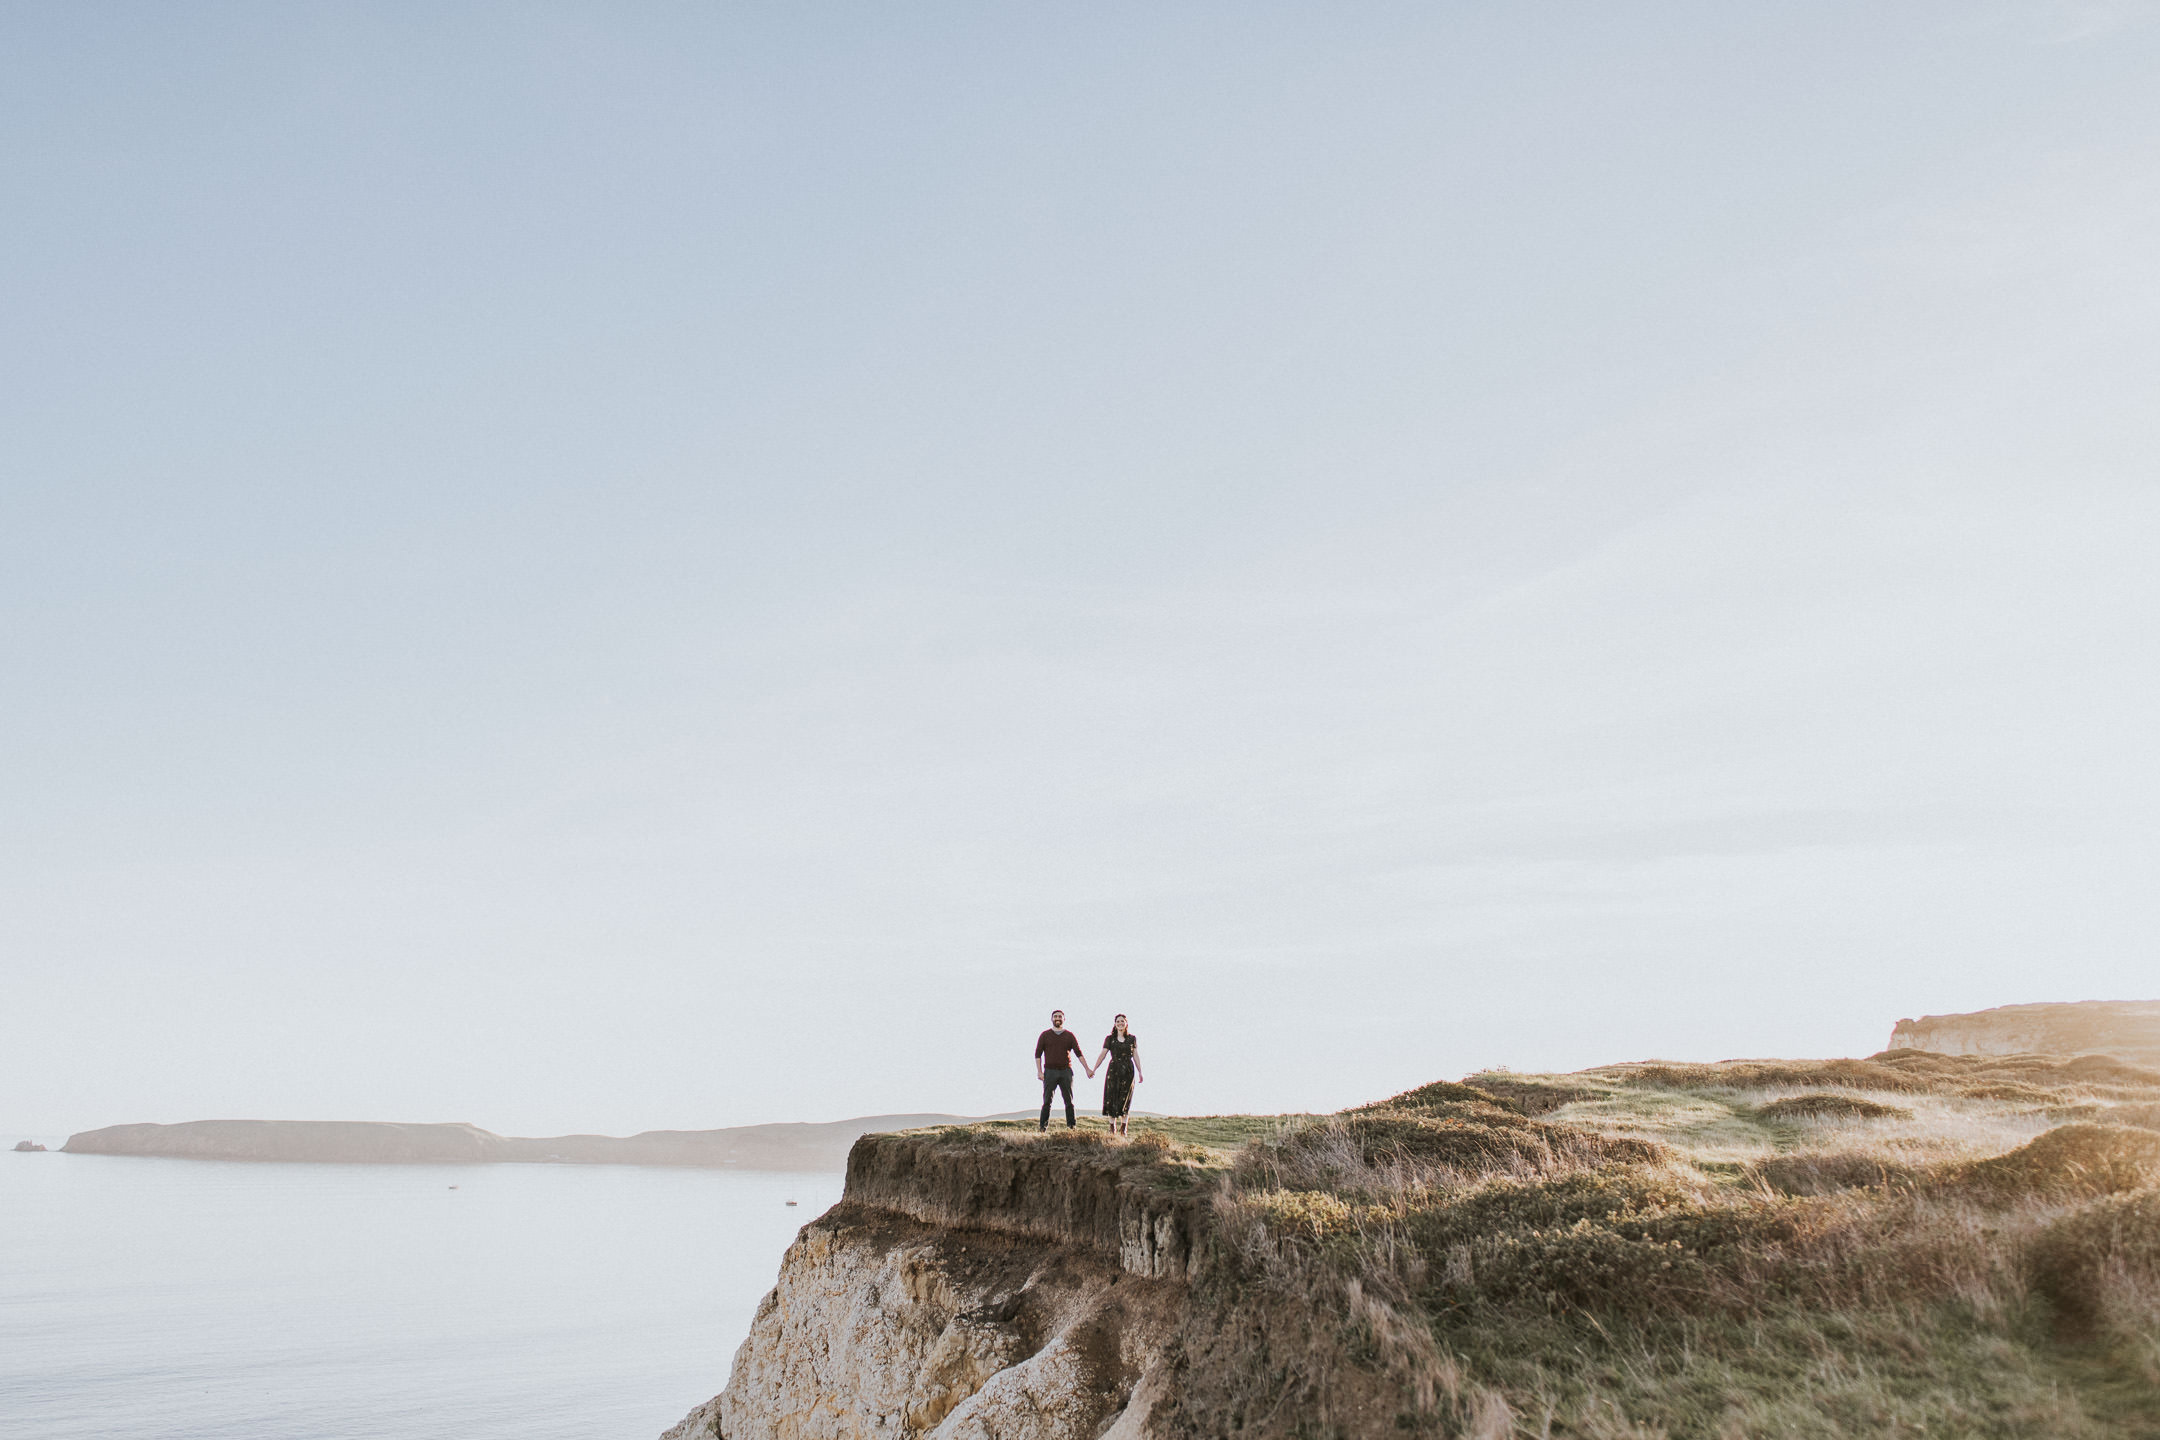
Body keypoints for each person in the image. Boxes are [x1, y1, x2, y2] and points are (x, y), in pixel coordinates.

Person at [1035, 1010, 1090, 1130]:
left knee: (1069, 1101)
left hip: (1066, 1072)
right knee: (1047, 1102)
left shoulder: (1069, 1035)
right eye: (1055, 1016)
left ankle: (1072, 1127)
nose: (1057, 1018)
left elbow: (1078, 1053)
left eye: (1060, 1016)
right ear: (1051, 1019)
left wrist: (1087, 1069)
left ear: (1064, 1019)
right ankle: (1042, 1128)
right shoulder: (1045, 1035)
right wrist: (1039, 1071)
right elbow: (1038, 1054)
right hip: (1050, 1072)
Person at [1091, 1014, 1142, 1136]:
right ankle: (1112, 1129)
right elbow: (1102, 1054)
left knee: (1125, 1099)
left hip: (1128, 1071)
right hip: (1113, 1070)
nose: (1120, 1023)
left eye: (1122, 1021)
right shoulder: (1110, 1039)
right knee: (1111, 1097)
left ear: (1126, 1023)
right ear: (1115, 1024)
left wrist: (1140, 1072)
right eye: (1118, 1021)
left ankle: (1123, 1129)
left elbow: (1135, 1055)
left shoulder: (1132, 1039)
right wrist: (1094, 1069)